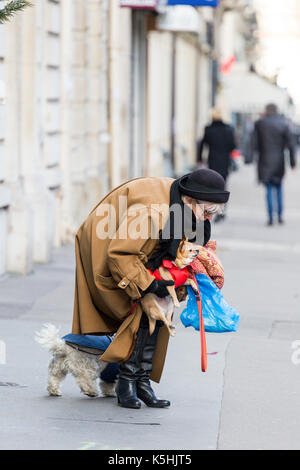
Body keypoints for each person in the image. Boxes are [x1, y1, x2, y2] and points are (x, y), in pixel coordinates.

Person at [71, 169, 229, 409]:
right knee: (140, 310)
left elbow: (179, 251)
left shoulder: (185, 209)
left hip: (142, 251)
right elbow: (121, 254)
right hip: (105, 249)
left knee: (158, 313)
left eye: (213, 214)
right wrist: (149, 285)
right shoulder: (152, 211)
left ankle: (142, 382)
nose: (208, 219)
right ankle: (126, 381)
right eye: (206, 212)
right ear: (189, 200)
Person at [252, 104, 296, 226]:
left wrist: (249, 158)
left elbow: (254, 142)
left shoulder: (260, 123)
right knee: (279, 188)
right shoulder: (283, 124)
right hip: (279, 161)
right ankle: (280, 216)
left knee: (269, 189)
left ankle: (271, 217)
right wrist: (292, 162)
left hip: (264, 160)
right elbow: (291, 144)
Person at [197, 108, 236, 221]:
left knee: (213, 186)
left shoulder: (209, 129)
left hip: (213, 160)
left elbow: (202, 144)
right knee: (223, 185)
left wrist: (199, 158)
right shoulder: (228, 129)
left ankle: (212, 210)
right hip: (224, 161)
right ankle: (222, 211)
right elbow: (232, 145)